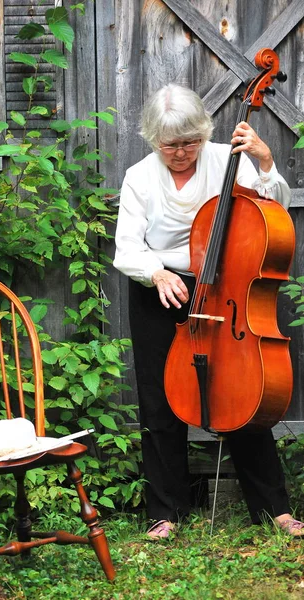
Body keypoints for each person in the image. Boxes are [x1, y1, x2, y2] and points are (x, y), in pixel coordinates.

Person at [113, 83, 304, 539]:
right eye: (170, 144)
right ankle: (165, 512)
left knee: (241, 391)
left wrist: (263, 161)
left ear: (203, 133)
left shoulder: (225, 158)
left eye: (189, 142)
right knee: (159, 402)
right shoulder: (140, 176)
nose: (181, 152)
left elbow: (272, 206)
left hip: (224, 286)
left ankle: (273, 507)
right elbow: (126, 248)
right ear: (152, 138)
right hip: (161, 288)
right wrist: (157, 273)